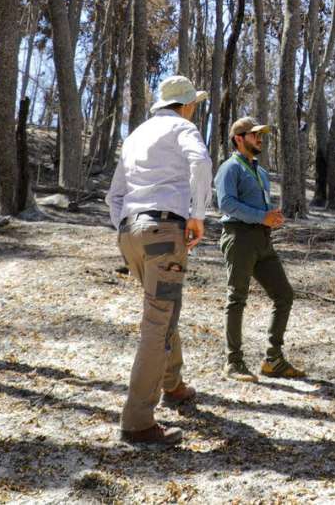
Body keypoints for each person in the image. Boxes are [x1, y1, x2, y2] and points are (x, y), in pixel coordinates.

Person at [107, 75, 212, 446]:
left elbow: (114, 195)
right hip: (165, 231)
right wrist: (198, 214)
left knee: (165, 309)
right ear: (185, 105)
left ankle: (174, 384)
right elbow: (201, 163)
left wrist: (125, 230)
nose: (194, 111)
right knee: (157, 321)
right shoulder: (183, 128)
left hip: (131, 233)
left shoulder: (136, 135)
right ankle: (137, 421)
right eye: (193, 105)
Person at [215, 116, 305, 381]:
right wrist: (260, 216)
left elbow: (258, 209)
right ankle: (233, 362)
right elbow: (227, 204)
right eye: (254, 134)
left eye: (261, 135)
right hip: (238, 237)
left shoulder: (261, 172)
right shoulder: (229, 168)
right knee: (237, 297)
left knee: (284, 295)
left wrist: (271, 217)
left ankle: (273, 359)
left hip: (263, 240)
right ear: (239, 138)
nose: (260, 139)